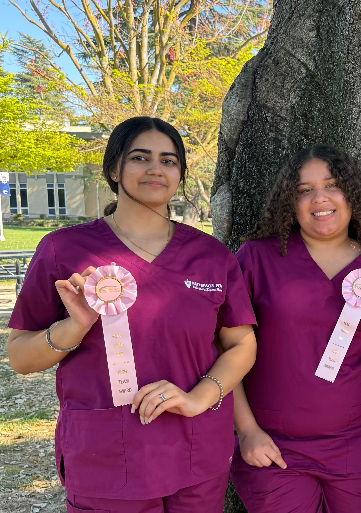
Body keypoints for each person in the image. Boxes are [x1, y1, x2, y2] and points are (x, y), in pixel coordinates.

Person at [7, 116, 258, 512]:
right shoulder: (63, 250)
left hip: (196, 451)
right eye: (140, 157)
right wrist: (74, 327)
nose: (156, 168)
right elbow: (20, 357)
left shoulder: (212, 256)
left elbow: (241, 342)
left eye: (169, 160)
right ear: (113, 169)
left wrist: (199, 398)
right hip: (106, 454)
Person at [229, 146, 361, 513]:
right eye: (303, 190)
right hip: (272, 445)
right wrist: (246, 431)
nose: (319, 198)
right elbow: (223, 349)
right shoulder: (256, 258)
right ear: (289, 203)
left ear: (351, 194)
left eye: (332, 185)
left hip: (354, 446)